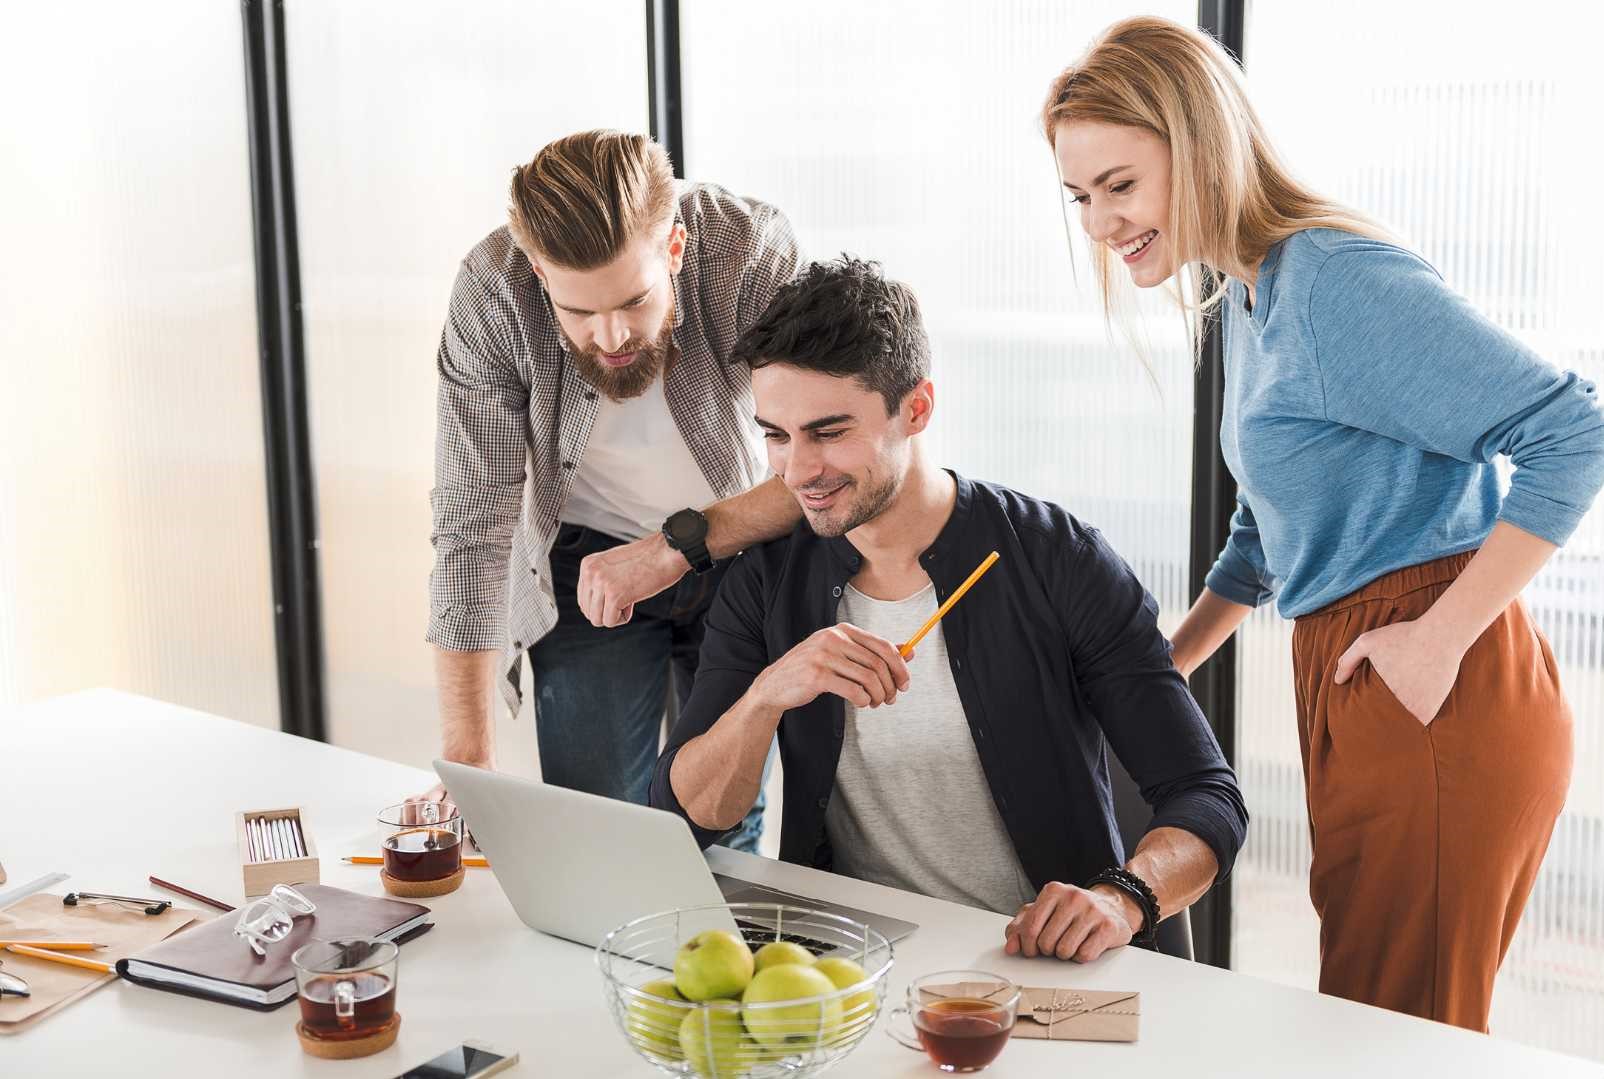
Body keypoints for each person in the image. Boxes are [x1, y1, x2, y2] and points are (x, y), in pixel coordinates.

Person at [1042, 16, 1604, 1027]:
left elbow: (1573, 429)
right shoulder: (1252, 297)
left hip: (1429, 664)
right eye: (1078, 195)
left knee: (1391, 1027)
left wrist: (1439, 636)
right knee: (1368, 1009)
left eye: (1119, 185)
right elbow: (1263, 534)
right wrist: (1158, 667)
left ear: (1199, 144)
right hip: (1350, 663)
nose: (1096, 222)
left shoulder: (1331, 281)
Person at [649, 257, 1247, 961]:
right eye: (777, 434)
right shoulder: (766, 581)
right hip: (852, 969)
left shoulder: (1059, 557)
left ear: (918, 409)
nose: (796, 471)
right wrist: (766, 696)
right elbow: (690, 812)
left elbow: (1207, 796)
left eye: (829, 432)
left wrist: (1123, 898)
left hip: (1041, 964)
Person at [420, 130, 803, 851]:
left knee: (719, 825)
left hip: (739, 552)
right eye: (581, 313)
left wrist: (675, 547)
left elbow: (817, 471)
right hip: (583, 567)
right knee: (599, 834)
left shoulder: (750, 252)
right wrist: (466, 753)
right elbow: (474, 521)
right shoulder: (493, 291)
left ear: (676, 250)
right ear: (539, 273)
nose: (613, 335)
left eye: (633, 299)